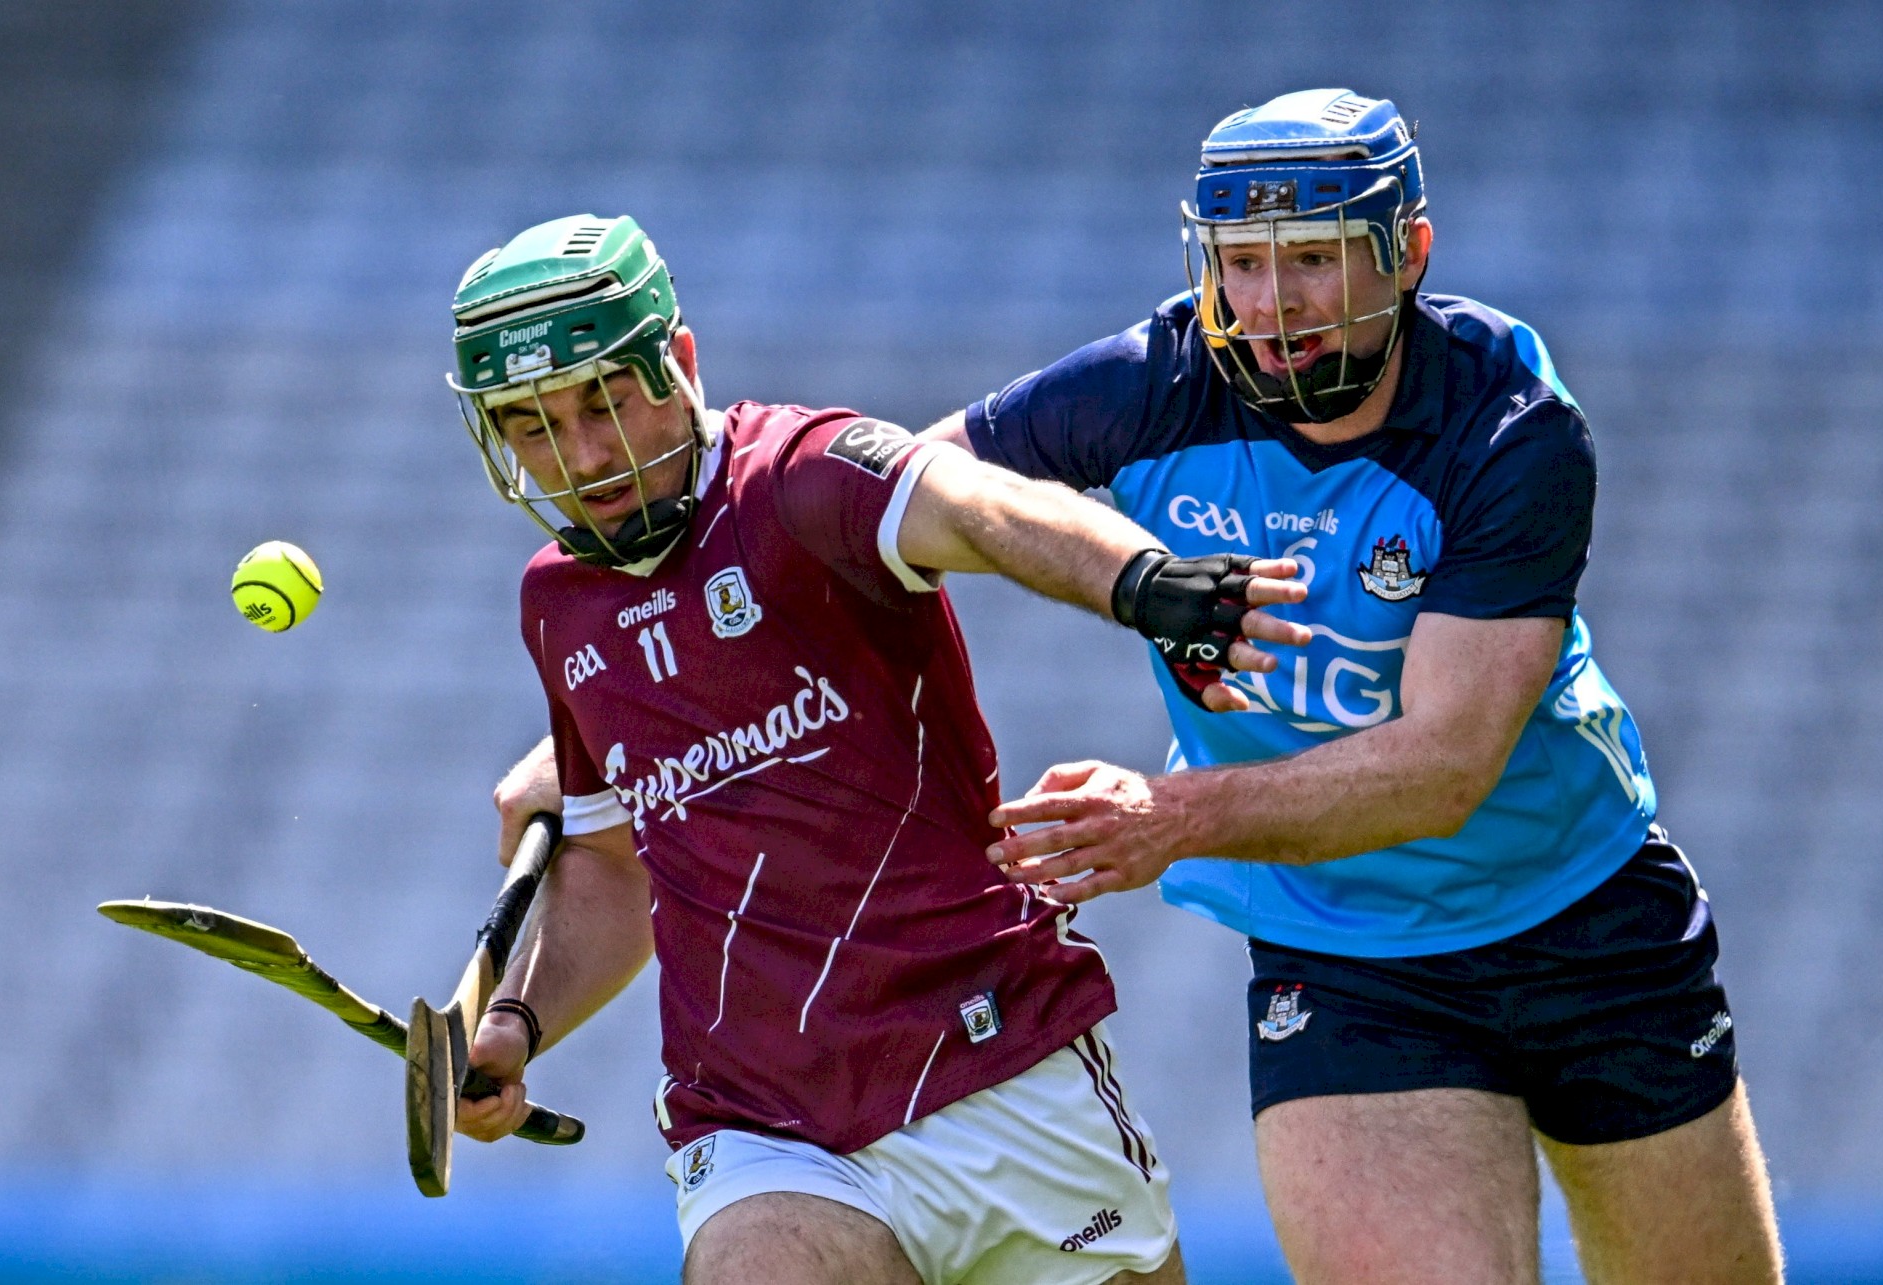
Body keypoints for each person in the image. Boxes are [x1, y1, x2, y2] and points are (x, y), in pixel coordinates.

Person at [922, 89, 1786, 1284]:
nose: (1271, 308)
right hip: (1341, 955)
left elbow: (1441, 770)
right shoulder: (1149, 384)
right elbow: (893, 498)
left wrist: (1166, 822)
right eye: (1240, 266)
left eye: (1312, 261)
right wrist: (1134, 583)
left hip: (1584, 914)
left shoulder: (1506, 424)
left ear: (1408, 253)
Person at [441, 211, 1306, 1285]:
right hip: (762, 1125)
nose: (580, 457)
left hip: (997, 1064)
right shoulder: (556, 605)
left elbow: (982, 506)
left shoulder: (802, 478)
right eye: (530, 423)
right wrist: (518, 1023)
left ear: (680, 365)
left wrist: (1140, 581)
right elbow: (617, 864)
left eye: (605, 403)